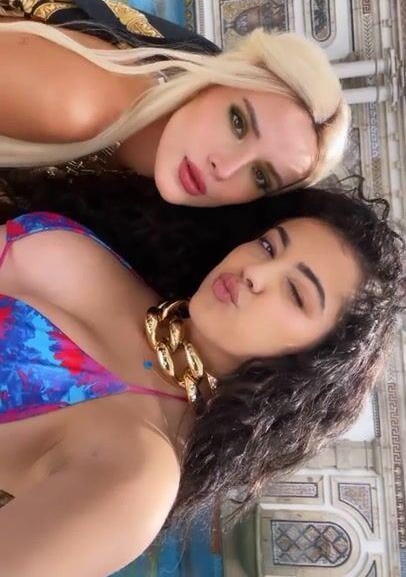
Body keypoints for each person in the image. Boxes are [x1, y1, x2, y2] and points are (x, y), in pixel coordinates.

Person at [0, 169, 403, 577]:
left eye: (296, 293)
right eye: (268, 246)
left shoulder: (139, 472)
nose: (256, 273)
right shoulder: (143, 248)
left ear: (312, 364)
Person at [0, 0, 350, 206]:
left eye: (260, 176)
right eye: (238, 123)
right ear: (214, 82)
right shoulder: (84, 102)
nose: (225, 168)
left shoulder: (142, 200)